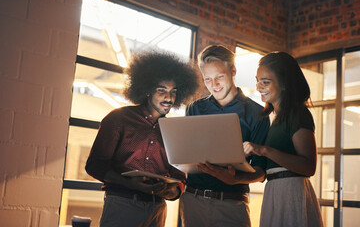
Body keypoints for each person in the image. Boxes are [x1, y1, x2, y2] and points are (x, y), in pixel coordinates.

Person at [85, 51, 199, 227]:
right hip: (121, 206)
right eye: (162, 90)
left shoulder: (174, 131)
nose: (169, 97)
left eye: (173, 92)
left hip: (157, 209)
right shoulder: (118, 119)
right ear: (147, 90)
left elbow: (179, 177)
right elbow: (95, 165)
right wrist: (129, 183)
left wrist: (171, 191)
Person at [179, 45, 270, 227]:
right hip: (193, 201)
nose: (214, 85)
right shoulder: (194, 108)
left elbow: (261, 173)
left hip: (232, 203)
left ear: (233, 71)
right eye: (208, 79)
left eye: (219, 76)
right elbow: (186, 154)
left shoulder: (258, 114)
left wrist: (235, 178)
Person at [243, 52, 323, 226]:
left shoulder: (297, 113)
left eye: (265, 81)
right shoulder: (276, 117)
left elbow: (308, 166)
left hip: (291, 192)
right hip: (276, 191)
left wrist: (264, 150)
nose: (258, 86)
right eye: (257, 80)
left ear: (285, 83)